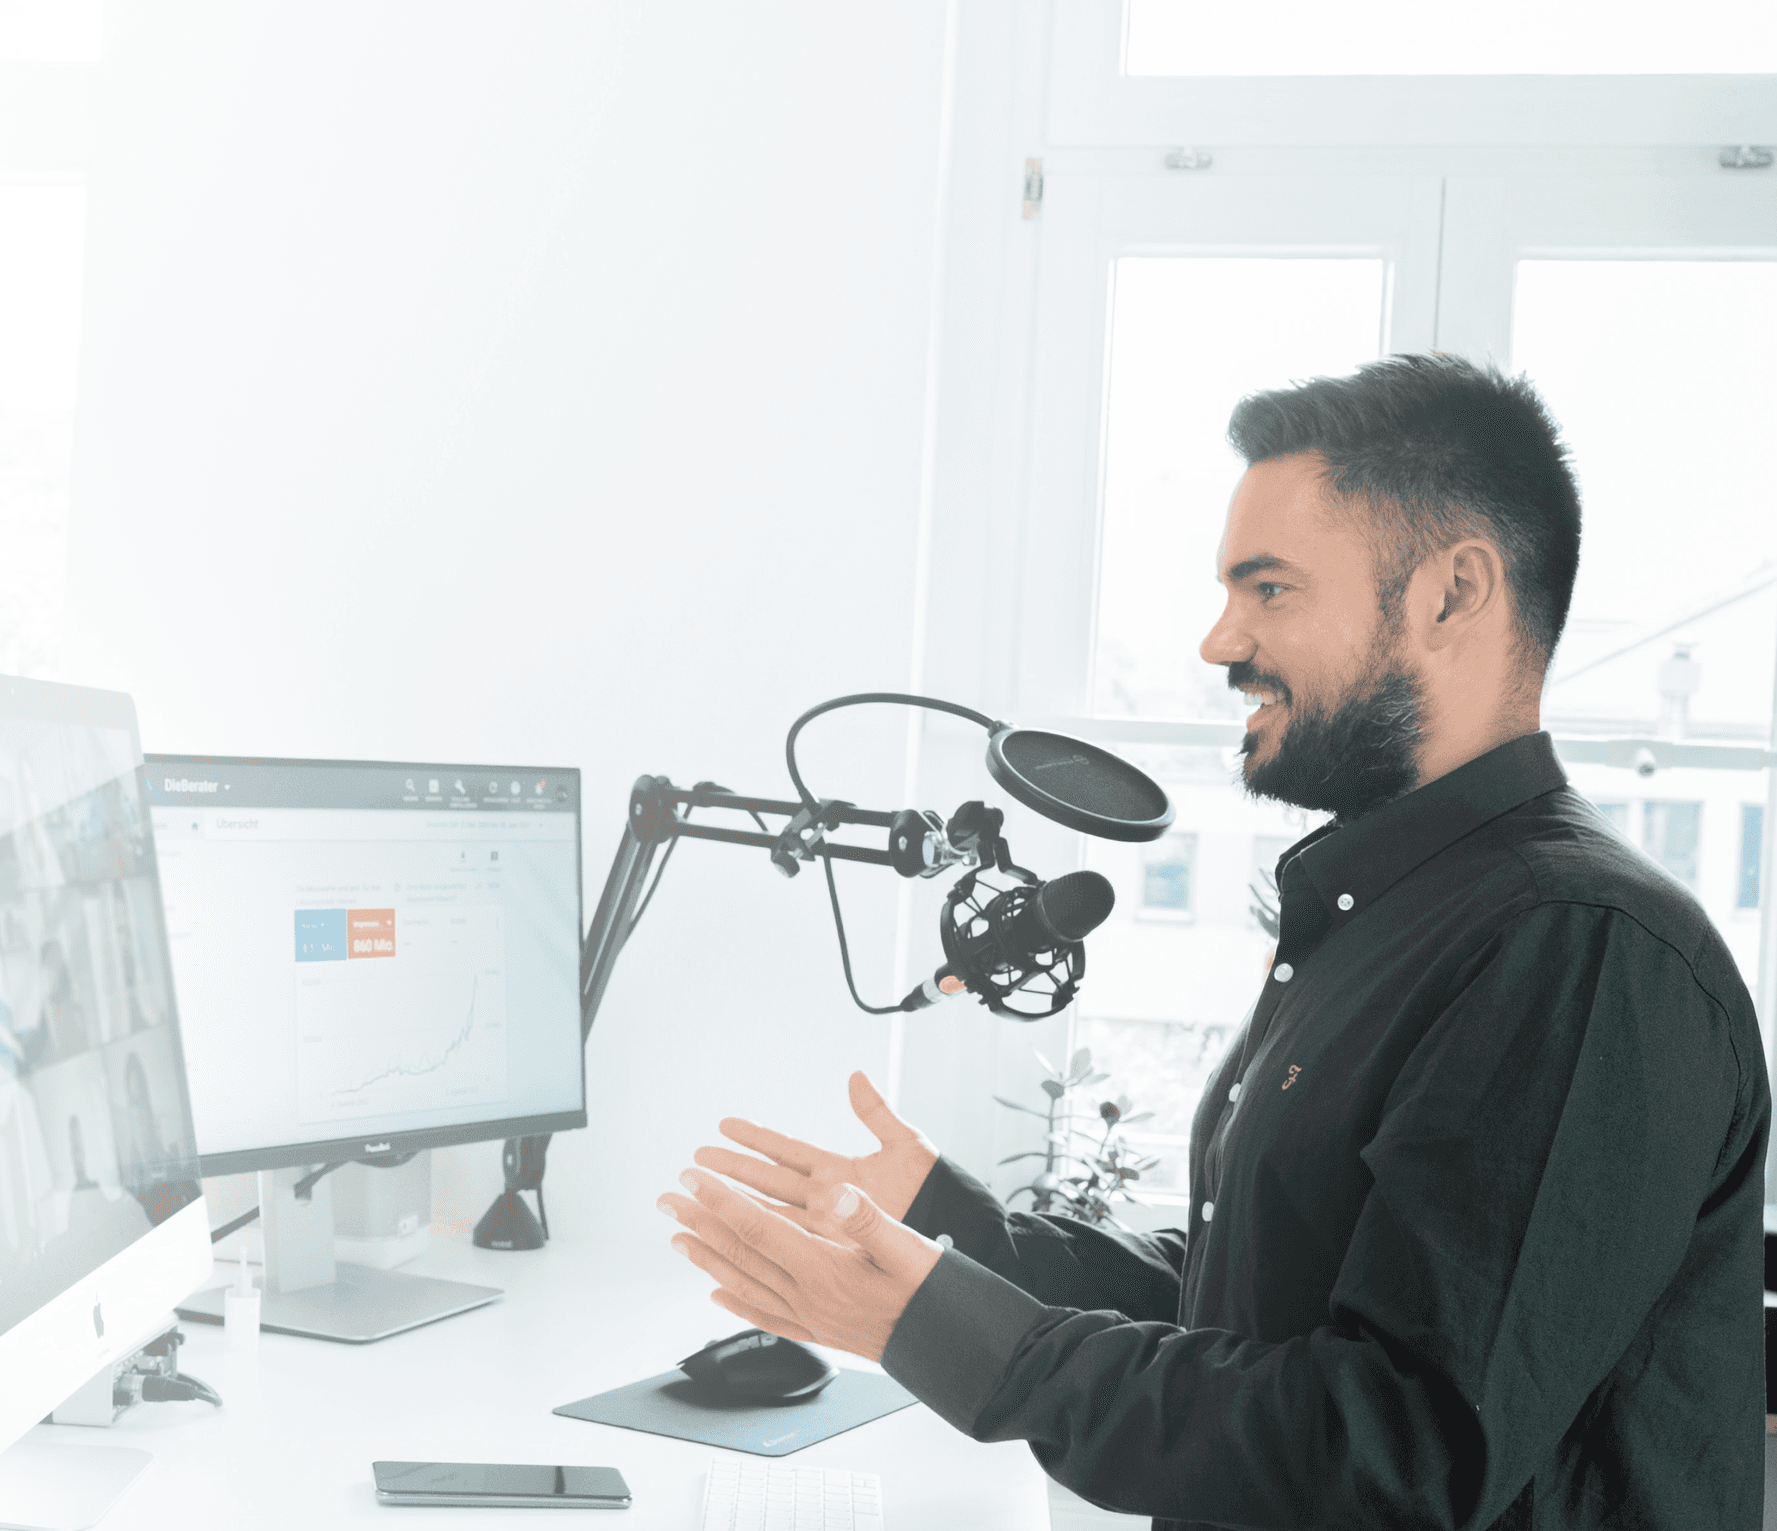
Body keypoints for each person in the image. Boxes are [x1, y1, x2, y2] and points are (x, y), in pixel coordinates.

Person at [659, 354, 1770, 1530]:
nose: (1216, 640)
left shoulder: (1576, 953)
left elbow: (1396, 1450)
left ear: (1451, 595)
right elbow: (1255, 1296)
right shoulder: (1390, 914)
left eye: (1270, 589)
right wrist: (951, 1230)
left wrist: (933, 1326)